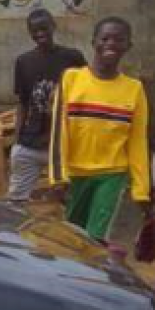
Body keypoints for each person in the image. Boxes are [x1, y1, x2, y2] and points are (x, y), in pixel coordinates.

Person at [50, 17, 151, 242]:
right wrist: (58, 176)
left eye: (119, 39)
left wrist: (141, 189)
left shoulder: (134, 90)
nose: (111, 44)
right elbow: (59, 133)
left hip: (112, 175)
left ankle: (92, 277)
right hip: (76, 174)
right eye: (105, 38)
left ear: (128, 46)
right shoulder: (71, 79)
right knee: (72, 236)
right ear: (93, 41)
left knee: (96, 239)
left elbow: (138, 143)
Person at [8, 9, 87, 205]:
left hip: (64, 143)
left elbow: (86, 94)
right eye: (34, 30)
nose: (39, 34)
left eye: (44, 28)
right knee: (16, 199)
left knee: (72, 199)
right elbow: (23, 102)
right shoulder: (23, 61)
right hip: (31, 141)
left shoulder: (72, 58)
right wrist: (17, 138)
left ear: (53, 26)